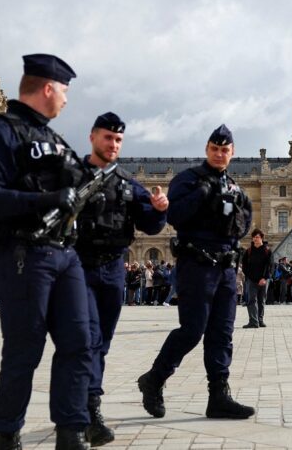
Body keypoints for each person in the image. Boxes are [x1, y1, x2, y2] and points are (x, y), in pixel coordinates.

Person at [0, 54, 94, 448]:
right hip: (23, 251)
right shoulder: (0, 131)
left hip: (64, 253)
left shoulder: (56, 139)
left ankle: (72, 429)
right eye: (64, 91)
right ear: (47, 88)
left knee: (80, 340)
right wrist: (47, 200)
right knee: (25, 347)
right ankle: (7, 432)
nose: (67, 100)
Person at [137, 124, 254, 421]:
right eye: (214, 149)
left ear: (232, 152)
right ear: (207, 149)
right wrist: (203, 195)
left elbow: (243, 225)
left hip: (226, 268)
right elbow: (173, 216)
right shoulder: (188, 180)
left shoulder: (236, 190)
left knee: (222, 334)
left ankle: (219, 396)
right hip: (197, 264)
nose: (219, 154)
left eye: (224, 150)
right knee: (192, 330)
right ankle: (155, 379)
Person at [75, 112, 168, 446]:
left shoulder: (127, 183)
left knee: (102, 341)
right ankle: (87, 411)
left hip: (114, 267)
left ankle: (87, 406)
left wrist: (159, 208)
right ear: (92, 137)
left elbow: (152, 226)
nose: (113, 144)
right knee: (87, 339)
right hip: (79, 266)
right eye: (107, 138)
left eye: (118, 140)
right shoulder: (72, 176)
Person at [242, 229, 272, 327]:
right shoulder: (248, 251)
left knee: (261, 300)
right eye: (254, 237)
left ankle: (260, 320)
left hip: (263, 280)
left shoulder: (267, 251)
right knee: (251, 300)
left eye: (257, 237)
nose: (255, 239)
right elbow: (244, 266)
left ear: (262, 238)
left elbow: (270, 266)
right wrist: (250, 277)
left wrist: (264, 278)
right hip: (251, 280)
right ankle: (253, 321)